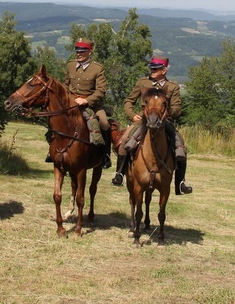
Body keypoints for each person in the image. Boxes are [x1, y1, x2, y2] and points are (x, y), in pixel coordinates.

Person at [111, 56, 193, 195]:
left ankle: (180, 182)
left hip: (163, 121)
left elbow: (177, 108)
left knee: (180, 144)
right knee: (125, 139)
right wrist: (132, 115)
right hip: (143, 120)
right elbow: (129, 101)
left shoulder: (172, 87)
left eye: (156, 68)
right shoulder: (143, 83)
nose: (152, 70)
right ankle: (119, 173)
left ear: (164, 70)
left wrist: (166, 113)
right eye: (152, 68)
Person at [58, 38, 112, 168]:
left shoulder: (97, 68)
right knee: (55, 120)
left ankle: (105, 155)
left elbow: (101, 90)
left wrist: (86, 100)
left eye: (83, 51)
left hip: (91, 104)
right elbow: (66, 85)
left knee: (104, 124)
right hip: (71, 103)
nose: (79, 53)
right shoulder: (70, 65)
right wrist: (66, 98)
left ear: (90, 51)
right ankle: (54, 151)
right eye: (77, 50)